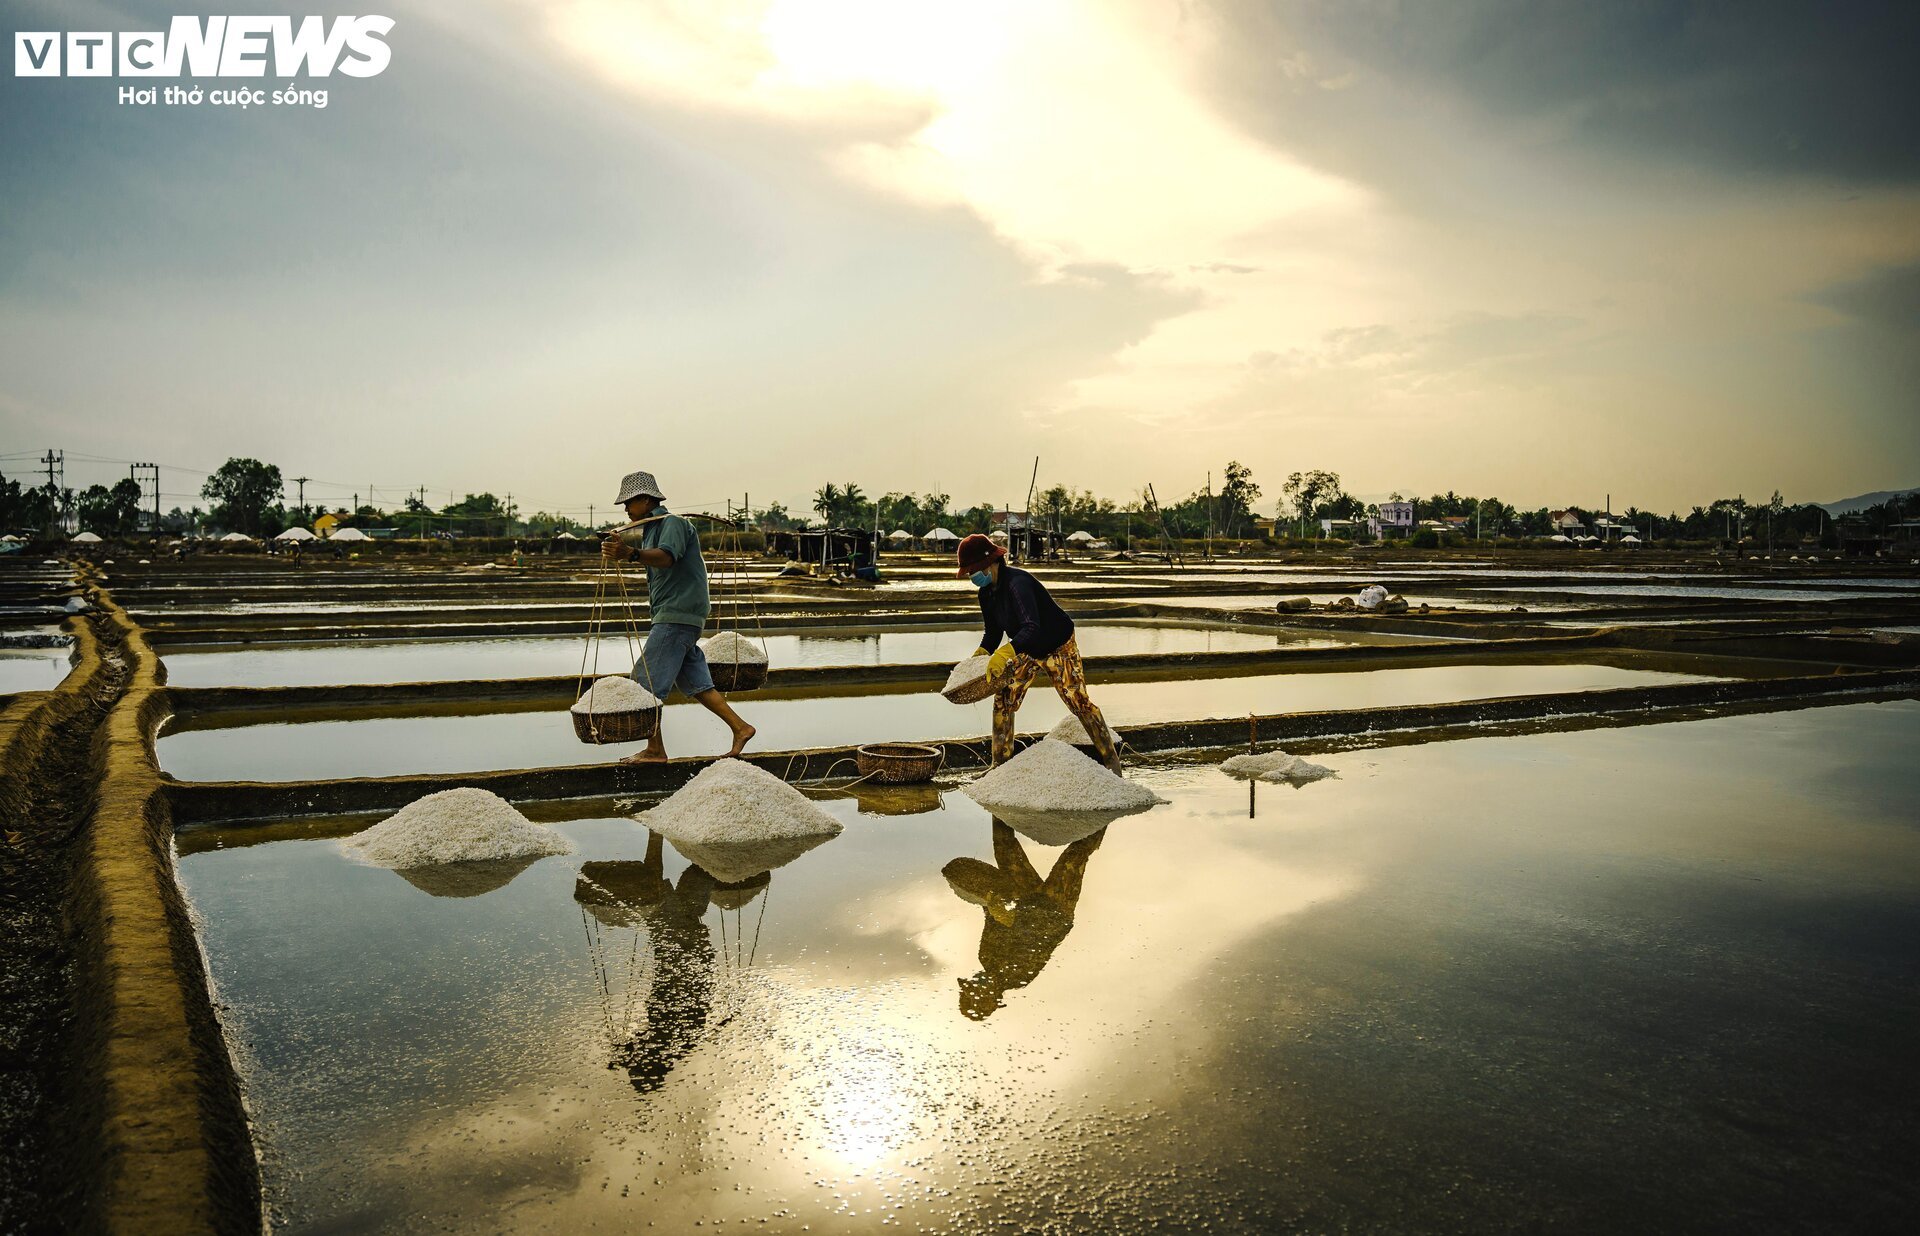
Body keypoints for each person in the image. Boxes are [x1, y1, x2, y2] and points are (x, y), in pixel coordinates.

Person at [600, 470, 755, 763]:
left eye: (628, 503)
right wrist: (628, 552)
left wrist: (630, 554)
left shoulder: (672, 523)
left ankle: (655, 750)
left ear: (645, 499)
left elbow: (667, 557)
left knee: (643, 684)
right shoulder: (651, 529)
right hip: (676, 614)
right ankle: (740, 727)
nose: (625, 510)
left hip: (677, 615)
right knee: (699, 684)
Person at [957, 531, 1120, 771]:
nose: (971, 576)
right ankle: (1000, 765)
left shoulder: (1017, 584)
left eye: (972, 570)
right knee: (1004, 698)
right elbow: (993, 632)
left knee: (1077, 700)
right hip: (1026, 646)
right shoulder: (986, 593)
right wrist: (983, 652)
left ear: (989, 563)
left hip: (1057, 644)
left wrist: (1004, 654)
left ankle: (1111, 761)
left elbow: (1032, 626)